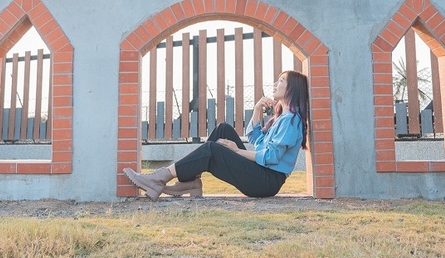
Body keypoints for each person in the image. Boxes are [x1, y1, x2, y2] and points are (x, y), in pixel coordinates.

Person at [123, 70, 309, 200]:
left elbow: (270, 157)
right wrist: (257, 109)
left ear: (293, 88)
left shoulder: (292, 121)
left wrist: (236, 151)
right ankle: (191, 182)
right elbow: (256, 139)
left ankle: (159, 178)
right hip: (262, 173)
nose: (276, 84)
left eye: (282, 80)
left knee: (212, 149)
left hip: (267, 182)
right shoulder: (281, 118)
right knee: (223, 129)